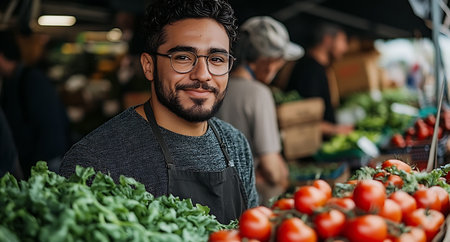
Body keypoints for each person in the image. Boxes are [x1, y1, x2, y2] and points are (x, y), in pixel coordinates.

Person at [59, 0, 258, 224]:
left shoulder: (236, 144)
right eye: (183, 57)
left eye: (217, 59)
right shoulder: (95, 160)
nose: (203, 74)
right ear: (149, 66)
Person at [216, 16, 303, 205]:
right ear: (268, 61)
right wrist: (283, 181)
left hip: (219, 194)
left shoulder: (217, 87)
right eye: (281, 61)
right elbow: (271, 168)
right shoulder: (259, 94)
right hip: (251, 198)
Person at [0, 30, 69, 178]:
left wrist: (38, 168)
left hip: (46, 163)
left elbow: (50, 126)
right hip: (34, 163)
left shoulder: (31, 79)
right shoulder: (12, 81)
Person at [285, 22, 354, 137]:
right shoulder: (309, 70)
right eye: (343, 41)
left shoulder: (320, 68)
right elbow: (303, 115)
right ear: (328, 40)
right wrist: (335, 130)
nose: (345, 48)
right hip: (311, 147)